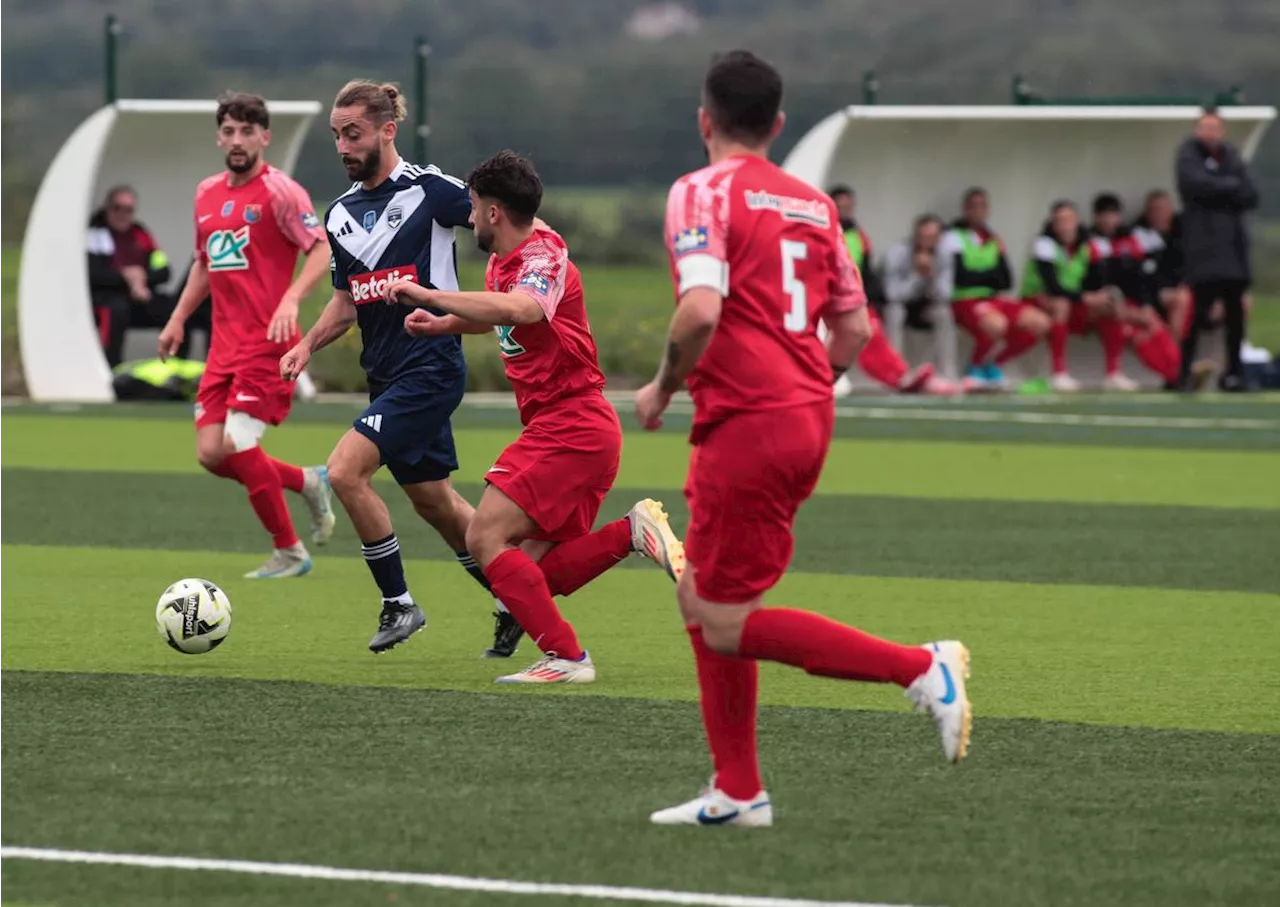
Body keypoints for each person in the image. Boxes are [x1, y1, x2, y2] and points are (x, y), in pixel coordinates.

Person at [634, 50, 971, 828]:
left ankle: (921, 668)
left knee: (722, 617)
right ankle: (739, 789)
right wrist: (798, 387)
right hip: (805, 413)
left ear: (704, 120)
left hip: (749, 422)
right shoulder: (816, 205)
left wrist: (662, 385)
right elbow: (851, 327)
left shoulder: (701, 189)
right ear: (778, 125)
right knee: (702, 594)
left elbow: (700, 310)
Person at [388, 149, 685, 683]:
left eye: (474, 208)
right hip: (576, 431)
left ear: (495, 211)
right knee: (531, 573)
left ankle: (568, 658)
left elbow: (524, 308)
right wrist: (442, 325)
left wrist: (430, 296)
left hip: (570, 426)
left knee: (483, 538)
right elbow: (501, 316)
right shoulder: (507, 259)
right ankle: (632, 533)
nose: (470, 218)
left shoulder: (541, 256)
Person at [158, 91, 335, 579]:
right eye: (229, 131)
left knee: (238, 440)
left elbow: (319, 250)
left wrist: (291, 298)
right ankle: (307, 481)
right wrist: (176, 319)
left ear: (265, 137)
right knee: (211, 454)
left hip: (269, 343)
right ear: (220, 137)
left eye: (247, 131)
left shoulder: (281, 192)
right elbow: (203, 263)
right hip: (224, 345)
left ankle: (291, 552)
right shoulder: (206, 193)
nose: (238, 140)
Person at [827, 187, 943, 396]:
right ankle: (896, 377)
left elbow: (865, 272)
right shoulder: (823, 227)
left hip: (847, 298)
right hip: (825, 294)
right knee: (859, 332)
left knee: (867, 332)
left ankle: (898, 376)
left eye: (847, 206)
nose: (844, 210)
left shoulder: (858, 236)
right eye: (840, 206)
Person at [1176, 107, 1259, 392]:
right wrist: (1229, 188)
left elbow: (1250, 193)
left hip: (1233, 252)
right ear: (1197, 129)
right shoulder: (1188, 155)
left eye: (1215, 127)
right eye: (1205, 127)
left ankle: (1234, 373)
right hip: (1204, 251)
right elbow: (1195, 186)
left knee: (1235, 318)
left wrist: (1221, 188)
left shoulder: (1231, 156)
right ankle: (1183, 371)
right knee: (1197, 314)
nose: (1210, 133)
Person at [940, 188, 1050, 390]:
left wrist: (979, 274)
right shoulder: (953, 237)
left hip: (992, 299)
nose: (978, 211)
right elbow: (960, 277)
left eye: (982, 206)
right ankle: (974, 366)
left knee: (1040, 322)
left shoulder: (994, 239)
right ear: (965, 209)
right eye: (973, 207)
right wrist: (988, 274)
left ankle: (993, 363)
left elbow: (1006, 280)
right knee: (996, 324)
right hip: (965, 300)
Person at [1085, 193, 1182, 390]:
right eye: (1104, 215)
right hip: (1096, 303)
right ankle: (1172, 373)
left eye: (1112, 215)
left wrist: (1145, 304)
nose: (1109, 220)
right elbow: (1093, 281)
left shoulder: (1128, 241)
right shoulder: (1089, 242)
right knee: (1130, 328)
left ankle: (1176, 371)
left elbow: (1138, 278)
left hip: (1125, 303)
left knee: (1150, 322)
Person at [88, 185, 176, 367]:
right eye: (117, 208)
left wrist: (142, 278)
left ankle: (177, 368)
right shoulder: (95, 233)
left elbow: (164, 270)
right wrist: (126, 277)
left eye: (128, 209)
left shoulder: (140, 233)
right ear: (107, 208)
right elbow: (93, 274)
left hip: (140, 299)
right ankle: (111, 370)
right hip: (107, 299)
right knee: (115, 310)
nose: (122, 214)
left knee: (177, 310)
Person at [881, 213, 961, 383]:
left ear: (939, 238)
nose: (925, 242)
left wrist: (931, 276)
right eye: (921, 237)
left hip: (928, 305)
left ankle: (947, 375)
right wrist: (916, 276)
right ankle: (895, 374)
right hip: (902, 305)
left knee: (944, 314)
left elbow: (946, 295)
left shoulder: (945, 255)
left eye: (931, 237)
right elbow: (892, 294)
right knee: (894, 312)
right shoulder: (897, 252)